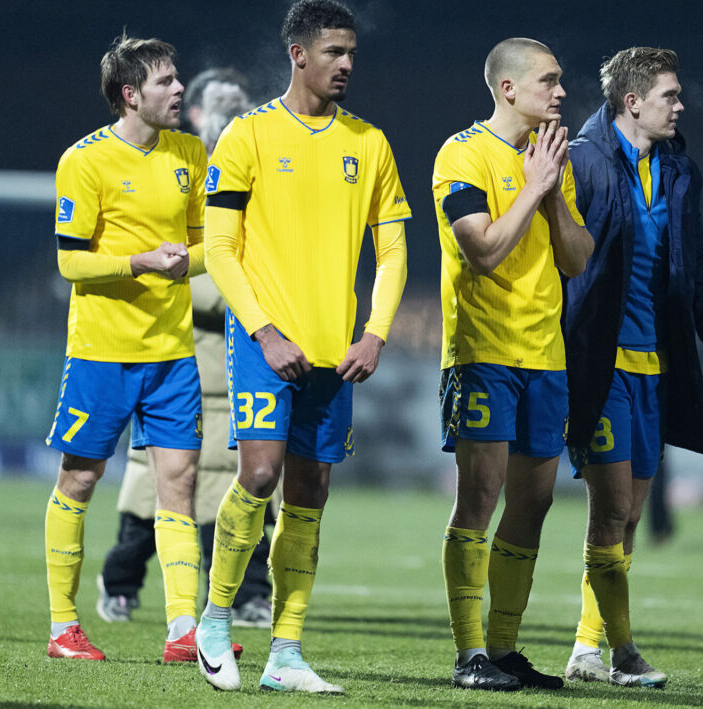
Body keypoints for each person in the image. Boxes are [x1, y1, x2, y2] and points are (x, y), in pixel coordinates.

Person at [195, 0, 410, 694]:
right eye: (334, 52)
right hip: (265, 340)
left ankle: (285, 650)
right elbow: (221, 249)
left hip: (334, 350)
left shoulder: (370, 143)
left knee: (310, 494)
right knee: (259, 476)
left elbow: (395, 250)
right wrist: (263, 327)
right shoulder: (247, 137)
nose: (347, 64)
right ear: (298, 54)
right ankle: (215, 620)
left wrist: (374, 331)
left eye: (351, 53)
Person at [562, 47, 703, 688]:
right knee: (609, 510)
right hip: (599, 363)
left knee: (631, 516)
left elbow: (693, 261)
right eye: (670, 94)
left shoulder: (679, 171)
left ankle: (589, 646)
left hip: (656, 368)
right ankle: (616, 650)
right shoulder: (580, 161)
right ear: (632, 102)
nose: (680, 104)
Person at [432, 38, 593, 692]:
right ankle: (469, 652)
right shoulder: (461, 154)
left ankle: (502, 648)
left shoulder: (553, 161)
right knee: (481, 495)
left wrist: (551, 192)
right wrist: (532, 187)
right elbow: (485, 251)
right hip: (483, 351)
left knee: (536, 501)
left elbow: (577, 258)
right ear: (508, 88)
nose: (560, 92)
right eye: (549, 82)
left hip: (544, 355)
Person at [43, 34, 208, 663]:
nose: (179, 90)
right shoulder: (83, 162)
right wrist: (138, 262)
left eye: (177, 78)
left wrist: (180, 265)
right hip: (101, 351)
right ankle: (64, 628)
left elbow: (205, 246)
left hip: (171, 351)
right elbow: (69, 263)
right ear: (130, 94)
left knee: (179, 482)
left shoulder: (189, 152)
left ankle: (182, 630)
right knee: (80, 479)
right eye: (166, 81)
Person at [96, 67, 276, 630]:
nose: (234, 109)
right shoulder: (177, 168)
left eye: (241, 101)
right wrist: (231, 287)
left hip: (243, 355)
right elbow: (167, 257)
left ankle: (249, 594)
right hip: (178, 353)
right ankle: (121, 582)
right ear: (194, 112)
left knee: (246, 480)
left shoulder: (256, 167)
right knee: (158, 485)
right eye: (222, 102)